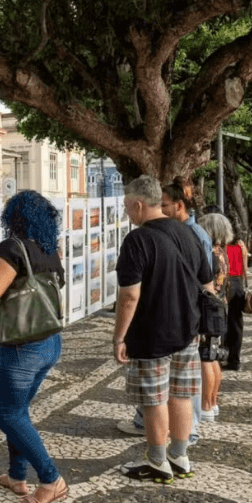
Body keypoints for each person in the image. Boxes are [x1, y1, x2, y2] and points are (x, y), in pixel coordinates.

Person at [114, 176, 213, 484]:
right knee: (181, 395)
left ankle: (157, 462)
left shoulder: (137, 240)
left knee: (154, 398)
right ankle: (179, 456)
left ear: (138, 205)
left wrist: (119, 337)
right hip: (188, 331)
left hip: (151, 334)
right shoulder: (189, 233)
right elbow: (208, 284)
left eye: (127, 206)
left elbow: (129, 296)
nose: (127, 212)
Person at [0, 190, 68, 503]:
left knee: (5, 414)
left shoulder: (11, 247)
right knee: (17, 412)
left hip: (18, 345)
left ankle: (51, 479)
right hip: (48, 340)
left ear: (13, 217)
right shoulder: (48, 249)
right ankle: (16, 476)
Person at [197, 213, 233, 420]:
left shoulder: (210, 255)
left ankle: (206, 405)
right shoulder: (222, 253)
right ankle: (212, 402)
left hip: (208, 310)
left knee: (206, 357)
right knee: (213, 356)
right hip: (219, 308)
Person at [224, 227, 249, 371]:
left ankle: (223, 353)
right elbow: (245, 270)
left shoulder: (223, 246)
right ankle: (235, 360)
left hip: (227, 282)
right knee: (236, 322)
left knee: (224, 320)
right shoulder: (242, 246)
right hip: (238, 282)